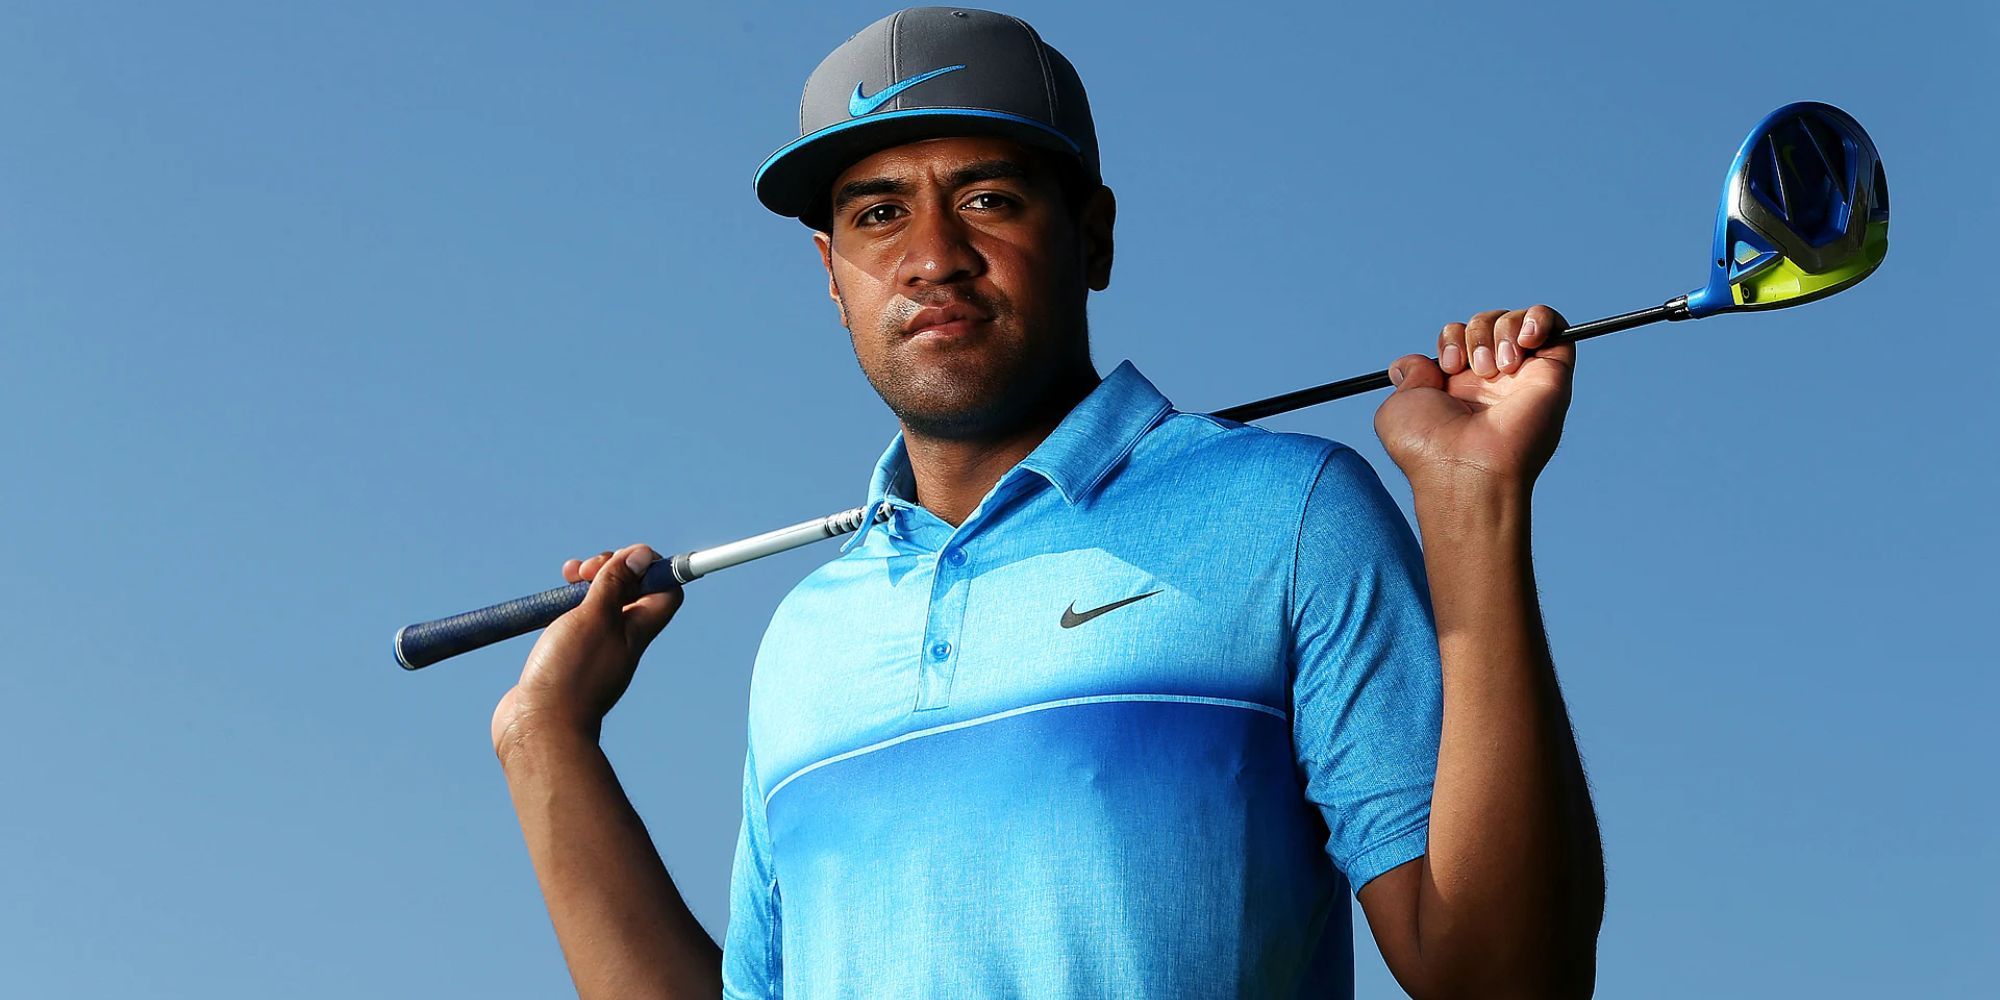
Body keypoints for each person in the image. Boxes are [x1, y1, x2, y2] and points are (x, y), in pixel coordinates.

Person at [491, 7, 1604, 998]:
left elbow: (1505, 981)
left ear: (1095, 235)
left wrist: (1472, 504)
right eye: (878, 215)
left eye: (987, 198)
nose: (933, 256)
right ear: (831, 277)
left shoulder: (1291, 512)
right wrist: (548, 742)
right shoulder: (805, 640)